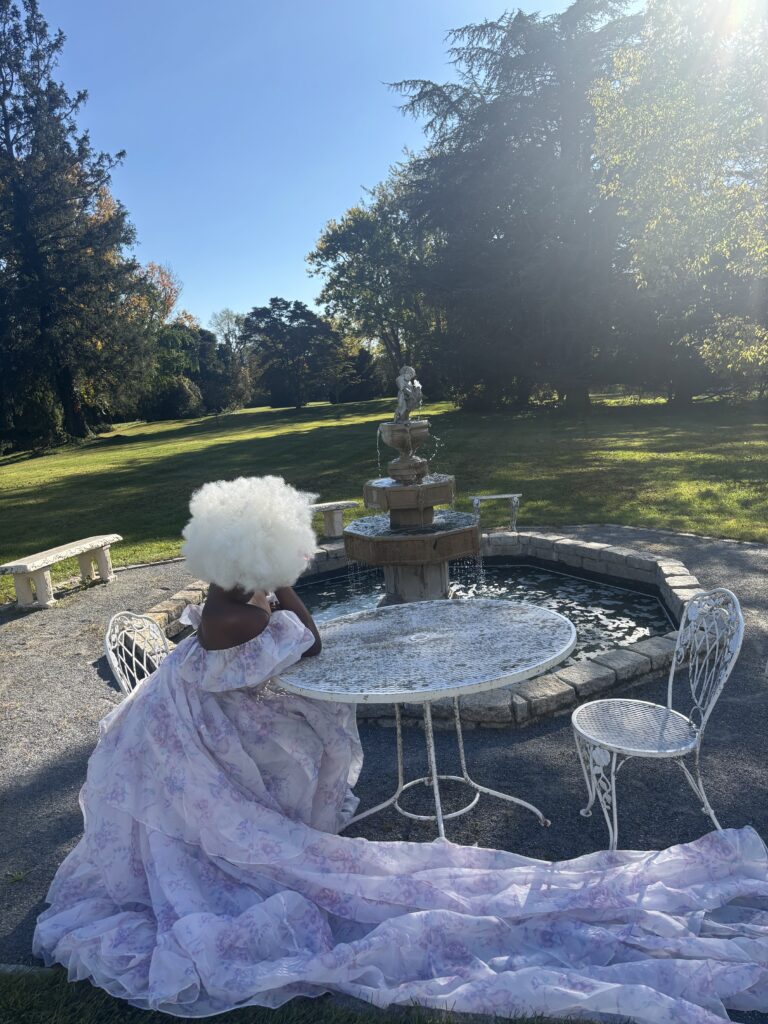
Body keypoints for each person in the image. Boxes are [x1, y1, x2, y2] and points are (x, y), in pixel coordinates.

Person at [34, 476, 768, 1022]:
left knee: (283, 775)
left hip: (208, 722)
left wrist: (281, 585)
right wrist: (283, 600)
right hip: (178, 739)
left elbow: (298, 631)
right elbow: (297, 640)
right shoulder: (231, 614)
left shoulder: (241, 589)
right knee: (217, 841)